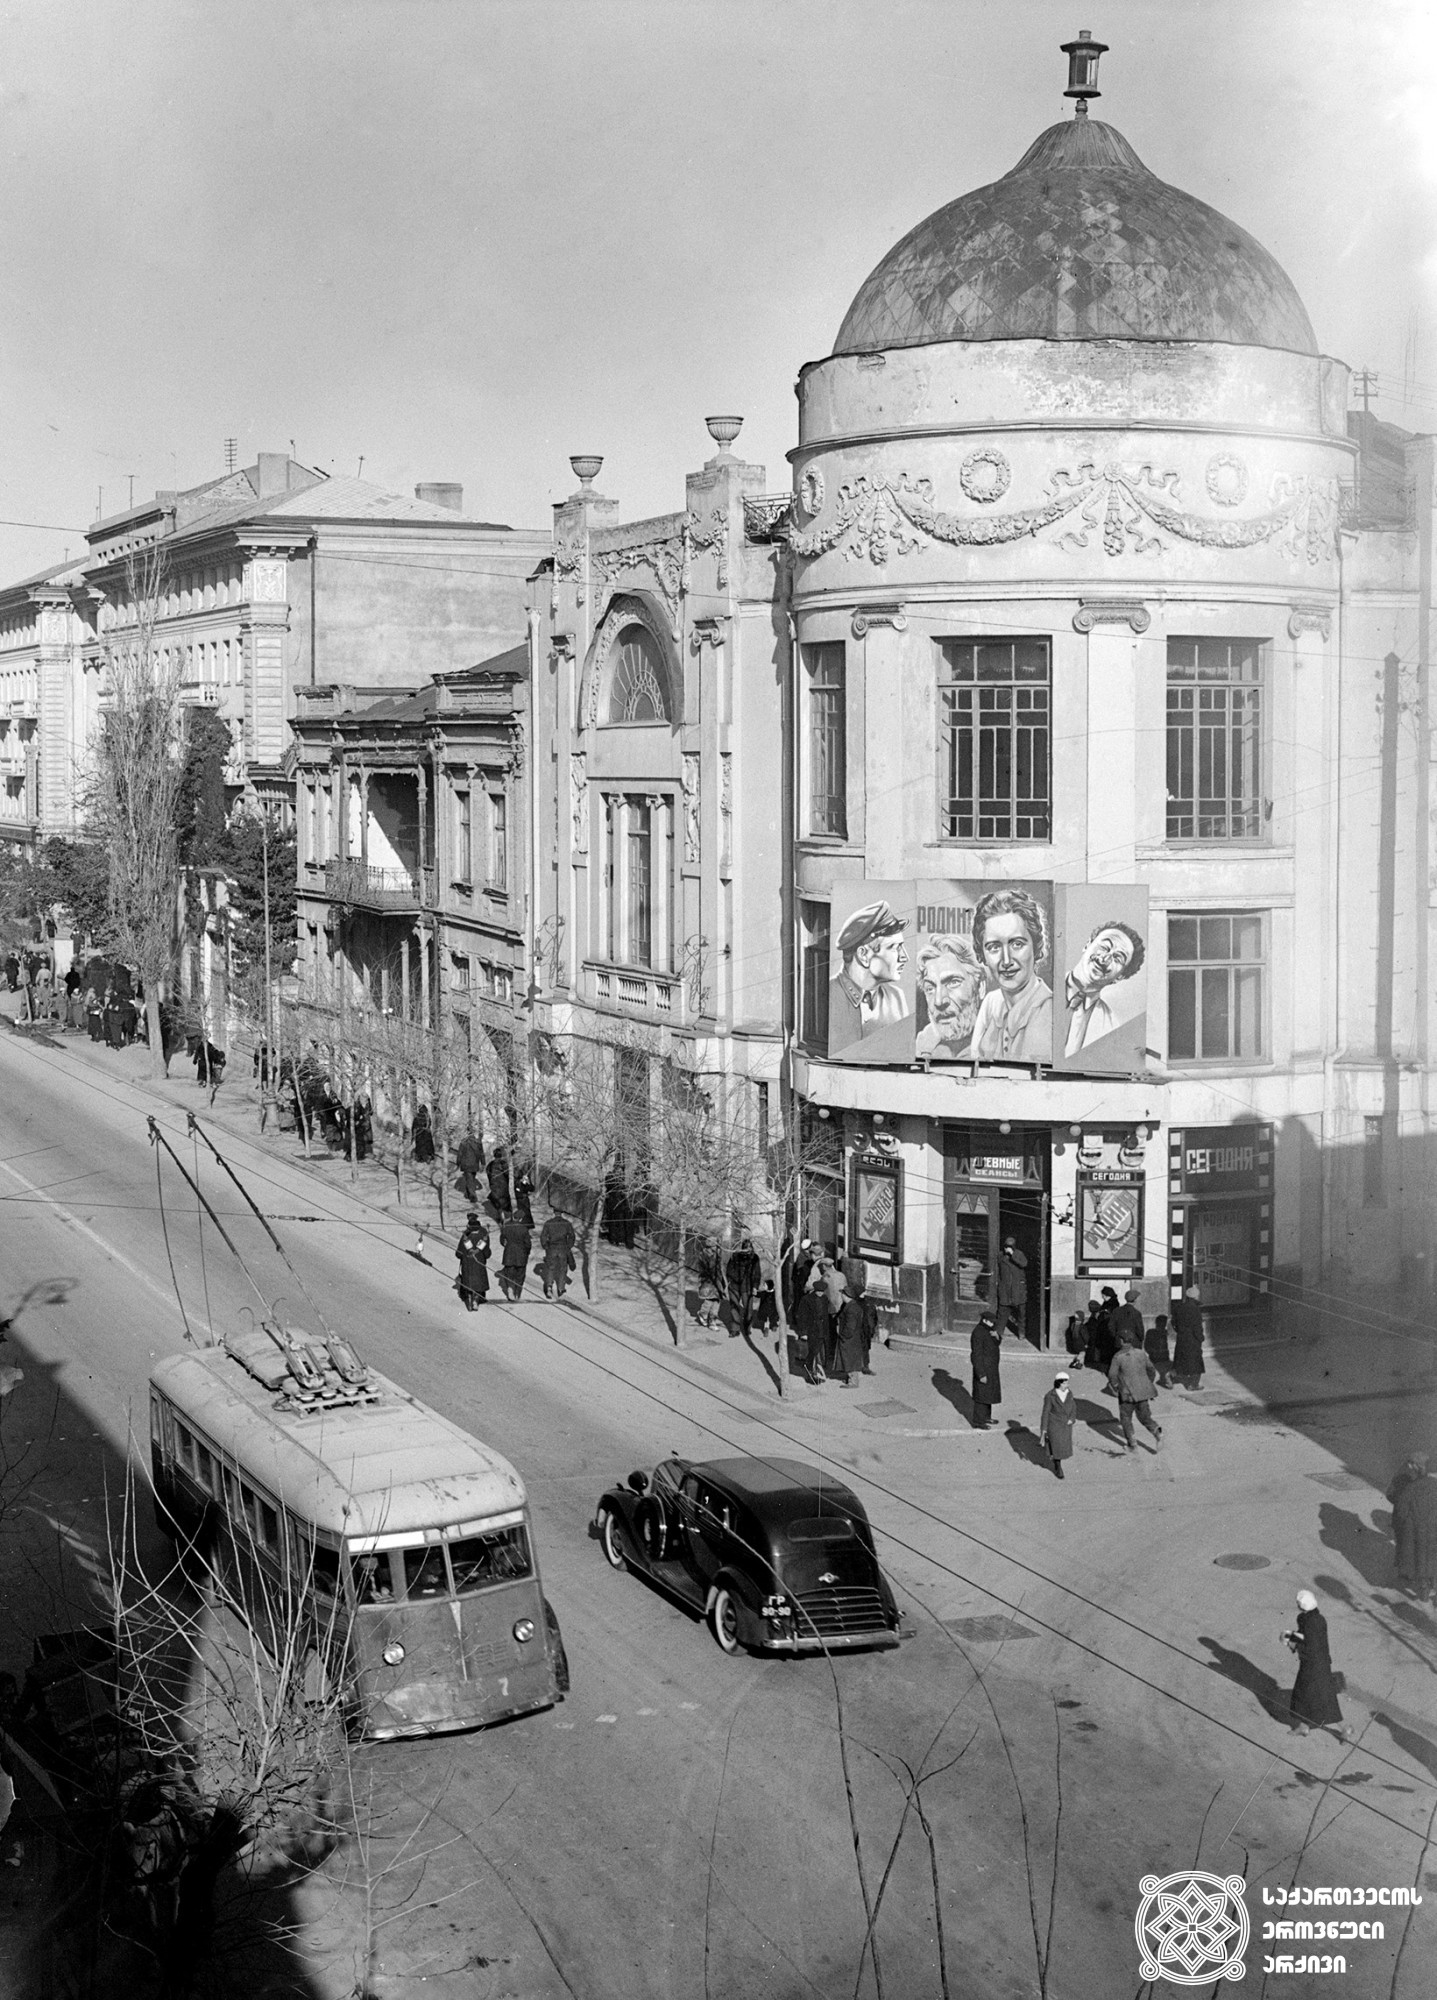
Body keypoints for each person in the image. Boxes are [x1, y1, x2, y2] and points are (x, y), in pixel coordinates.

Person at [970, 887, 1053, 1062]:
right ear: (982, 954)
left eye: (1017, 944)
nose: (1006, 960)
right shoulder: (991, 1003)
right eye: (994, 947)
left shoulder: (1050, 1010)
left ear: (1035, 946)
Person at [828, 900, 910, 1049]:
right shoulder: (828, 995)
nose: (904, 957)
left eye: (902, 947)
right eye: (893, 947)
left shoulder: (897, 998)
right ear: (863, 955)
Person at [1062, 919, 1146, 1057]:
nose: (1104, 959)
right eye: (1104, 947)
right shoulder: (1043, 988)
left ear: (1120, 977)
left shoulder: (1112, 1026)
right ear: (1087, 945)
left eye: (1117, 958)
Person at [1283, 1589, 1347, 1738]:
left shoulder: (1310, 1622)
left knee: (1314, 1697)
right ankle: (1304, 1726)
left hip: (1313, 1666)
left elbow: (1310, 1646)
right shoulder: (1317, 1618)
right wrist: (1292, 1636)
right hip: (1320, 1663)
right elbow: (1308, 1638)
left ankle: (1343, 1729)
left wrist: (1292, 1643)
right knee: (1315, 1696)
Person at [914, 934, 985, 1059]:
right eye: (930, 988)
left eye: (953, 983)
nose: (939, 1001)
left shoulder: (1000, 1043)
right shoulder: (922, 1045)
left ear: (980, 987)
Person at [1390, 1454, 1437, 1601]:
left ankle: (1423, 1588)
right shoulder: (1434, 1484)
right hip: (1434, 1528)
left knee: (1420, 1558)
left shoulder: (1410, 1488)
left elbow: (1401, 1511)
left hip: (1417, 1530)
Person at [1107, 1332, 1162, 1452]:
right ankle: (1156, 1430)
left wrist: (1116, 1387)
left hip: (1127, 1394)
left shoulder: (1118, 1357)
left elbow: (1112, 1375)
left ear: (1121, 1340)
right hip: (1143, 1392)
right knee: (1145, 1417)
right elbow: (1151, 1369)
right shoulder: (1141, 1353)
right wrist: (1147, 1383)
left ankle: (1132, 1445)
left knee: (1126, 1418)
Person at [1039, 1371, 1077, 1479]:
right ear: (1059, 1383)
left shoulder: (1069, 1394)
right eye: (1065, 1383)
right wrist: (1044, 1429)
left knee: (1062, 1447)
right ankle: (1058, 1467)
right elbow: (1045, 1413)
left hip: (1066, 1425)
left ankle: (1057, 1462)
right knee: (1056, 1446)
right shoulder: (1050, 1396)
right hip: (1054, 1425)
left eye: (1067, 1383)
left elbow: (1074, 1407)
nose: (1067, 1385)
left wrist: (1072, 1419)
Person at [795, 1269, 831, 1384]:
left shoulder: (825, 1299)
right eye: (819, 1291)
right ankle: (810, 1373)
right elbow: (802, 1317)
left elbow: (825, 1315)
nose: (820, 1293)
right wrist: (803, 1333)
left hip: (822, 1331)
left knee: (818, 1353)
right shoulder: (806, 1300)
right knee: (813, 1352)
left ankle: (816, 1373)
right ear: (815, 1290)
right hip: (811, 1330)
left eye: (822, 1292)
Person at [970, 1310, 1002, 1430]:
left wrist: (997, 1336)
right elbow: (976, 1355)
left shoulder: (989, 1330)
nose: (993, 1324)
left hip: (991, 1368)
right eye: (991, 1322)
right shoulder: (978, 1332)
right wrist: (981, 1374)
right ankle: (978, 1421)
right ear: (984, 1320)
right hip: (983, 1369)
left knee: (988, 1394)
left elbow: (996, 1342)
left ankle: (986, 1417)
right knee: (981, 1396)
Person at [725, 1237, 762, 1336]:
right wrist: (730, 1281)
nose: (748, 1250)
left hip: (748, 1287)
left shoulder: (754, 1258)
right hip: (735, 1285)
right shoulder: (735, 1256)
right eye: (746, 1248)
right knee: (734, 1308)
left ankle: (747, 1327)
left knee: (748, 1309)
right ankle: (735, 1329)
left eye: (749, 1248)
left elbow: (757, 1273)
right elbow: (729, 1269)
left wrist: (755, 1286)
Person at [1170, 1286, 1206, 1388]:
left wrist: (1180, 1331)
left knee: (1180, 1360)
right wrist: (1201, 1338)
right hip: (1193, 1339)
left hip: (1181, 1338)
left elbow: (1173, 1322)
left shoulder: (1179, 1307)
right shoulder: (1195, 1310)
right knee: (1195, 1362)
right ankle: (1193, 1385)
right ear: (1195, 1297)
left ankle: (1172, 1377)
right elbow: (1197, 1327)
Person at [455, 1212, 491, 1311]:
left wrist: (460, 1255)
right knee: (479, 1282)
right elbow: (486, 1251)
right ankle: (476, 1299)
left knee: (468, 1281)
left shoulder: (466, 1234)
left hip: (467, 1261)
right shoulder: (484, 1233)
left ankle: (470, 1297)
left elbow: (459, 1251)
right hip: (479, 1261)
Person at [833, 1289, 868, 1388]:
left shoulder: (851, 1309)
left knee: (849, 1359)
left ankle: (853, 1382)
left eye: (842, 1294)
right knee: (850, 1358)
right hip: (854, 1338)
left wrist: (843, 1335)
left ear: (846, 1295)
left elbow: (850, 1326)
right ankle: (850, 1378)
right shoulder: (853, 1306)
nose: (841, 1296)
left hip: (849, 1339)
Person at [995, 1236, 1028, 1338]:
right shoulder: (1000, 1256)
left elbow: (1024, 1264)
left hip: (1017, 1288)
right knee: (1002, 1312)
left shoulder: (1019, 1254)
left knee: (1021, 1313)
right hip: (1005, 1289)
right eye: (1005, 1247)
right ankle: (999, 1332)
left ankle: (1021, 1333)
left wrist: (1013, 1255)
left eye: (1009, 1247)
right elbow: (997, 1269)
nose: (1007, 1249)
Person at [539, 1210, 577, 1300]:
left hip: (552, 1248)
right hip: (563, 1248)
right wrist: (568, 1246)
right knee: (563, 1268)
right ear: (561, 1213)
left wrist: (546, 1246)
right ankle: (561, 1288)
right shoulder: (567, 1223)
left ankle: (549, 1287)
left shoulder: (548, 1223)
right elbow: (572, 1236)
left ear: (554, 1213)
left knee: (550, 1268)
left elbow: (543, 1236)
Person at [498, 1213, 532, 1301]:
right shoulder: (524, 1229)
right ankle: (517, 1293)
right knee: (520, 1275)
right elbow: (528, 1244)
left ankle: (510, 1288)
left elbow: (502, 1239)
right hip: (521, 1255)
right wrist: (527, 1253)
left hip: (509, 1253)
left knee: (509, 1273)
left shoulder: (507, 1227)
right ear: (521, 1219)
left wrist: (505, 1245)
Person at [1109, 1286, 1144, 1351]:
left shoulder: (1116, 1311)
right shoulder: (1136, 1313)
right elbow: (1140, 1330)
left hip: (1119, 1343)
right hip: (1134, 1344)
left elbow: (1111, 1327)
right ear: (1135, 1300)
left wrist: (1117, 1337)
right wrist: (1141, 1338)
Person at [1145, 1312, 1173, 1389]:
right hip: (1161, 1358)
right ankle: (1165, 1377)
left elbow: (1147, 1347)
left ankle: (1164, 1377)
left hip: (1155, 1357)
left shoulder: (1151, 1332)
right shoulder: (1163, 1333)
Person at [455, 1130, 484, 1203]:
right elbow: (481, 1153)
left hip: (466, 1164)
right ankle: (468, 1194)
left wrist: (458, 1163)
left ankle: (472, 1196)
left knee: (469, 1180)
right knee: (471, 1179)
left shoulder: (463, 1142)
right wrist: (483, 1163)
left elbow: (460, 1153)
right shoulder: (478, 1142)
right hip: (475, 1164)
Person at [487, 1148, 512, 1220]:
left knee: (497, 1201)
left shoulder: (490, 1164)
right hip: (503, 1185)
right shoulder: (503, 1163)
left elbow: (488, 1174)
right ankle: (507, 1217)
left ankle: (501, 1216)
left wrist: (491, 1182)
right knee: (505, 1201)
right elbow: (507, 1174)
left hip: (494, 1185)